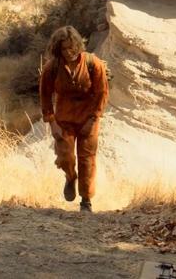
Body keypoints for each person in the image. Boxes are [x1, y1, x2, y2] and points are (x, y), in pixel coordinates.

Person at [39, 25, 109, 213]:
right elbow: (45, 96)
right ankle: (70, 178)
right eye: (64, 49)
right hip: (64, 117)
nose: (69, 52)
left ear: (78, 45)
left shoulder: (93, 64)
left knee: (87, 159)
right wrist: (52, 122)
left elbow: (102, 93)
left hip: (88, 117)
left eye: (72, 47)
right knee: (65, 155)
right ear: (57, 49)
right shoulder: (52, 68)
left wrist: (93, 120)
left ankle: (86, 201)